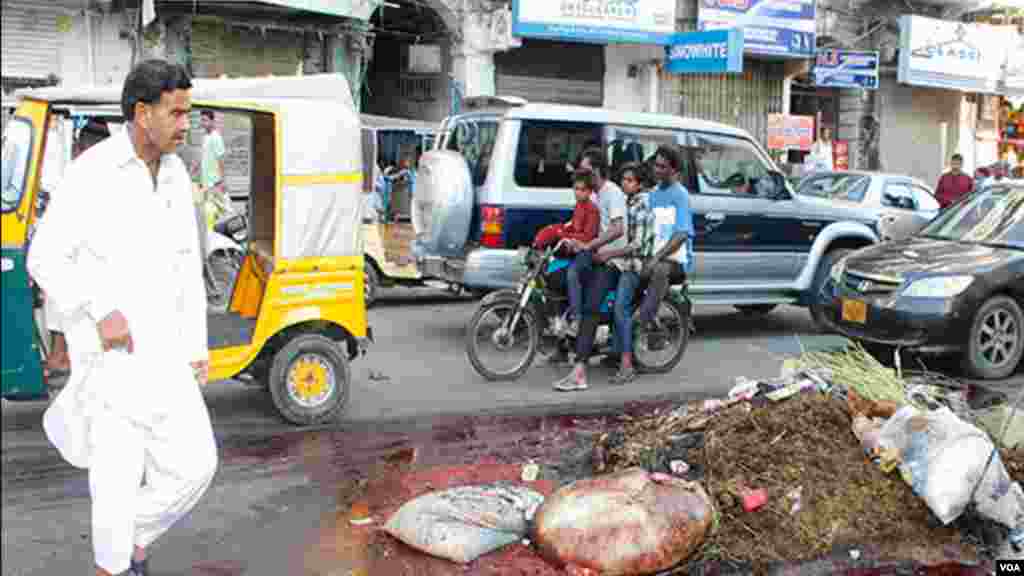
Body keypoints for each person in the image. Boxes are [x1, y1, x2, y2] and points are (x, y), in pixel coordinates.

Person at [27, 59, 218, 576]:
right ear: (141, 113)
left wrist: (196, 347)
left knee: (196, 466)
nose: (186, 124)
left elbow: (186, 267)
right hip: (112, 362)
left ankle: (126, 547)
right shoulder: (95, 172)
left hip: (167, 358)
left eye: (189, 112)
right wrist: (100, 308)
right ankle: (116, 564)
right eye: (176, 113)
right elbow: (43, 258)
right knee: (115, 482)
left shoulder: (177, 174)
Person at [41, 120, 111, 380]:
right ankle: (62, 353)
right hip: (85, 251)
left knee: (58, 290)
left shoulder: (95, 172)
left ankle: (61, 356)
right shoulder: (86, 171)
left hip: (97, 258)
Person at [552, 148, 626, 390]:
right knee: (558, 277)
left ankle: (580, 371)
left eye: (584, 170)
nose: (580, 177)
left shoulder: (612, 193)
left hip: (612, 260)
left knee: (591, 306)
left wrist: (589, 245)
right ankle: (566, 341)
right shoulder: (592, 196)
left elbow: (617, 229)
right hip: (594, 256)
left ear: (595, 170)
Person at [592, 162, 655, 385]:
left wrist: (610, 253)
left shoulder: (642, 204)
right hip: (620, 261)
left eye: (629, 180)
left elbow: (637, 244)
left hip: (634, 265)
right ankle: (614, 351)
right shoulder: (625, 201)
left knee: (620, 309)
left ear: (639, 184)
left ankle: (627, 365)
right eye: (624, 180)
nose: (624, 184)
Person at [635, 145, 694, 334]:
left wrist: (656, 257)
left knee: (657, 270)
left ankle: (639, 325)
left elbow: (682, 234)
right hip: (654, 255)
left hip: (674, 260)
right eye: (656, 165)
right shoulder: (652, 194)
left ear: (674, 170)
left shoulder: (680, 195)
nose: (657, 170)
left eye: (663, 167)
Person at [199, 109, 227, 229]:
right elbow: (205, 158)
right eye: (202, 120)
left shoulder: (216, 137)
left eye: (205, 120)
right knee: (210, 211)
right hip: (206, 181)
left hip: (214, 182)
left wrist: (221, 181)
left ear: (212, 121)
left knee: (220, 210)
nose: (203, 123)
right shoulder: (206, 137)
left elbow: (221, 160)